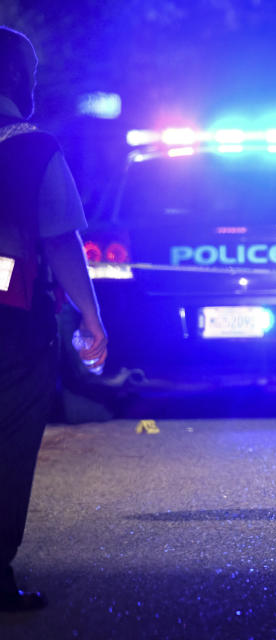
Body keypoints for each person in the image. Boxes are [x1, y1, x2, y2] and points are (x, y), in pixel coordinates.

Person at [0, 26, 107, 612]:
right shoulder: (32, 146)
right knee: (8, 448)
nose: (35, 86)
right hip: (12, 327)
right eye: (32, 75)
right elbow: (60, 241)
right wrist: (91, 317)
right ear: (14, 77)